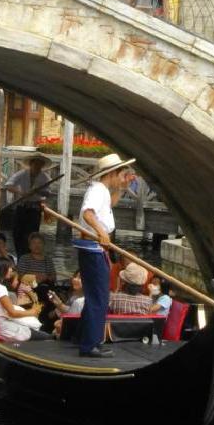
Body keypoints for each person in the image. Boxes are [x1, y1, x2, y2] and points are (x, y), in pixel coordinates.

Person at [75, 151, 136, 357]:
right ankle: (90, 344)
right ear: (112, 173)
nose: (122, 177)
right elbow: (88, 213)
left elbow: (109, 206)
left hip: (95, 249)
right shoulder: (97, 190)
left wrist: (122, 188)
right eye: (121, 174)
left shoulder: (101, 190)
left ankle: (84, 337)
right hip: (93, 249)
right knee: (99, 297)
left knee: (95, 295)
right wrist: (101, 233)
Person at [2, 154, 53, 256]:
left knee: (32, 234)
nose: (37, 167)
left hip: (35, 209)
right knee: (18, 233)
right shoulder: (21, 174)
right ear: (31, 164)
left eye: (40, 165)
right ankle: (20, 256)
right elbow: (8, 186)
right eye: (35, 164)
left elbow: (48, 193)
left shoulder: (45, 178)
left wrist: (38, 192)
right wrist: (21, 193)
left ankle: (29, 256)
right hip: (21, 207)